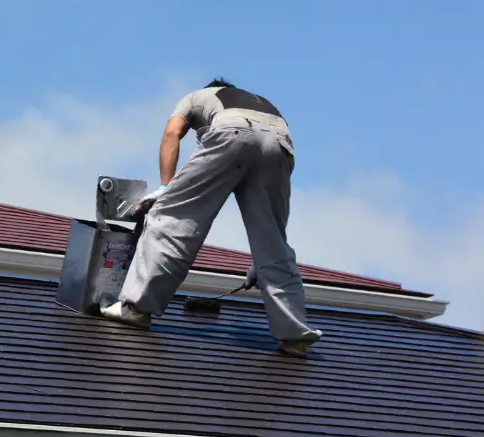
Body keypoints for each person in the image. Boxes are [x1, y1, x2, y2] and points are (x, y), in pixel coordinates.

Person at [99, 78, 325, 357]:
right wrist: (262, 260)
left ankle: (135, 308)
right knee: (273, 242)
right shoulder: (257, 101)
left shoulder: (196, 97)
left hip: (232, 132)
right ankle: (295, 336)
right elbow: (264, 164)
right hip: (281, 140)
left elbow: (172, 133)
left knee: (171, 215)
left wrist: (166, 188)